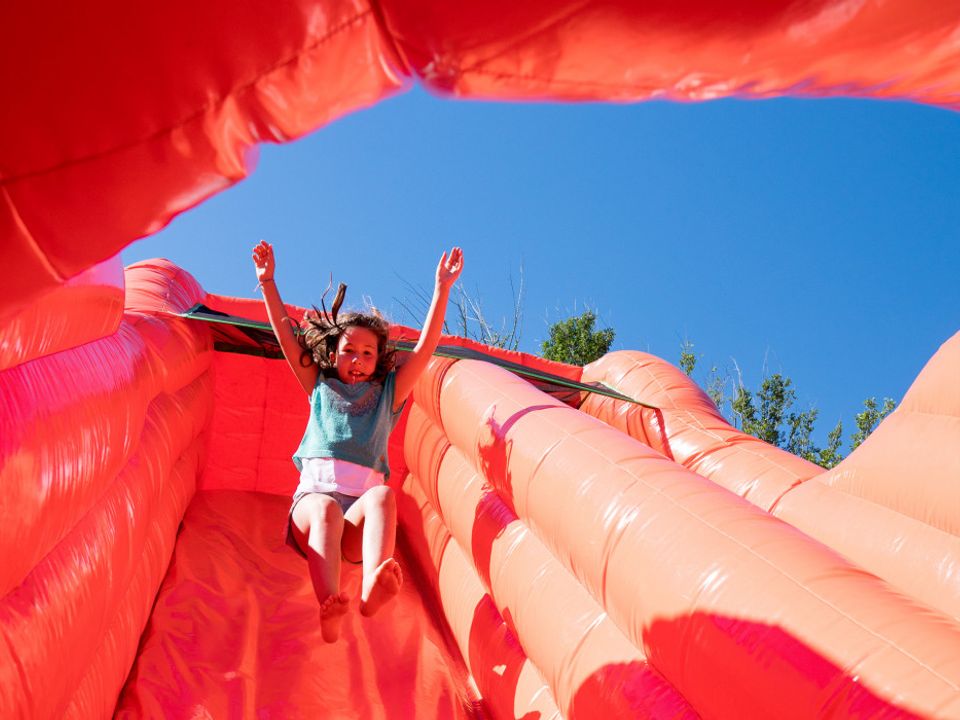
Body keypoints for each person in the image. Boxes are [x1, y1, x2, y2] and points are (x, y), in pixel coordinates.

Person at [252, 240, 464, 642]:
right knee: (327, 510)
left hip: (355, 528)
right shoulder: (319, 387)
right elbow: (286, 337)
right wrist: (268, 283)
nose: (358, 360)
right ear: (333, 353)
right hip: (313, 514)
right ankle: (329, 605)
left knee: (384, 497)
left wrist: (442, 290)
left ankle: (370, 588)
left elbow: (424, 350)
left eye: (368, 353)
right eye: (349, 351)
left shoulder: (389, 396)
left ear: (379, 358)